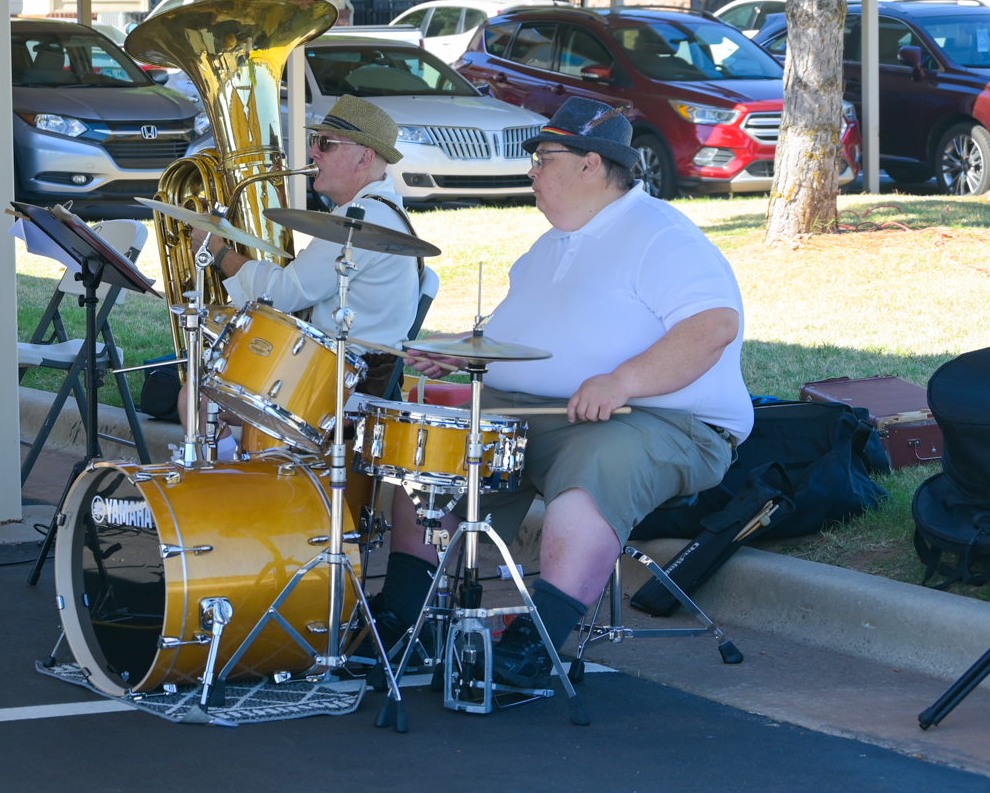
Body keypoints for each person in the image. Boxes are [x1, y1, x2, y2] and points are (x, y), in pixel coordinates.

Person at [392, 97, 750, 687]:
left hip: (659, 419)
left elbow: (712, 327)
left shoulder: (660, 235)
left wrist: (623, 380)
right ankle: (403, 621)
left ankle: (536, 643)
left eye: (542, 157)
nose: (530, 170)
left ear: (591, 164)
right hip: (537, 414)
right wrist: (462, 348)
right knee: (430, 452)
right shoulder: (547, 247)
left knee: (597, 462)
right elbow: (522, 336)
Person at [214, 95, 424, 398]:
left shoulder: (362, 220)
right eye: (315, 140)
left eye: (326, 143)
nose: (313, 151)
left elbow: (282, 294)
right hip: (341, 372)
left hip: (342, 384)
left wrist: (220, 253)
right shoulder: (378, 211)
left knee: (196, 394)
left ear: (364, 157)